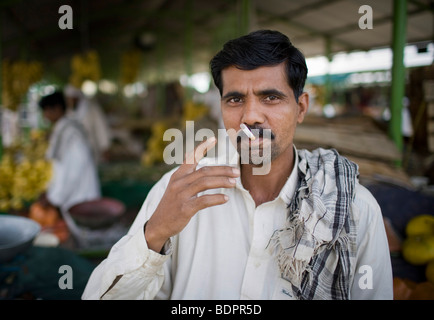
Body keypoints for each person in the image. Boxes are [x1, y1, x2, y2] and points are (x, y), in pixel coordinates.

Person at [82, 30, 393, 300]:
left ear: (301, 108)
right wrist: (156, 234)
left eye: (270, 97)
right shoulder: (177, 193)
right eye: (235, 100)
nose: (251, 116)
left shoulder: (353, 209)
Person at [38, 91, 101, 216]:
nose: (45, 116)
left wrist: (55, 196)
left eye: (46, 111)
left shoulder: (72, 134)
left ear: (57, 108)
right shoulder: (64, 130)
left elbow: (73, 170)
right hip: (72, 192)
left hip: (80, 195)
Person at [64, 84, 112, 163]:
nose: (69, 101)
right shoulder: (68, 111)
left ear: (77, 98)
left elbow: (101, 128)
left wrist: (105, 147)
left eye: (71, 98)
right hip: (73, 151)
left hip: (91, 148)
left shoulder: (91, 108)